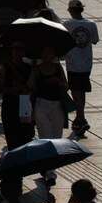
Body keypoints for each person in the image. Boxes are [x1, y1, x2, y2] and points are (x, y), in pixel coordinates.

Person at [29, 45, 71, 185]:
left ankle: (47, 167)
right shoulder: (36, 69)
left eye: (50, 52)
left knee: (57, 138)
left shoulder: (58, 68)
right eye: (45, 52)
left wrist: (58, 83)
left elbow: (66, 85)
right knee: (46, 138)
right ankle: (50, 172)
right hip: (41, 105)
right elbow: (30, 87)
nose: (48, 55)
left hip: (57, 105)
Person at [63, 0, 99, 138]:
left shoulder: (66, 25)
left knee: (75, 90)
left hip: (72, 63)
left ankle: (80, 118)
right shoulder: (91, 24)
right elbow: (95, 40)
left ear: (71, 10)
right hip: (86, 64)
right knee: (81, 91)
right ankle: (80, 118)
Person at [0, 42, 36, 150]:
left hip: (25, 104)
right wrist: (13, 90)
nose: (17, 52)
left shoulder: (29, 68)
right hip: (10, 105)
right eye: (15, 49)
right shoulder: (6, 67)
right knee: (12, 137)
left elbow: (33, 88)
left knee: (26, 135)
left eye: (20, 49)